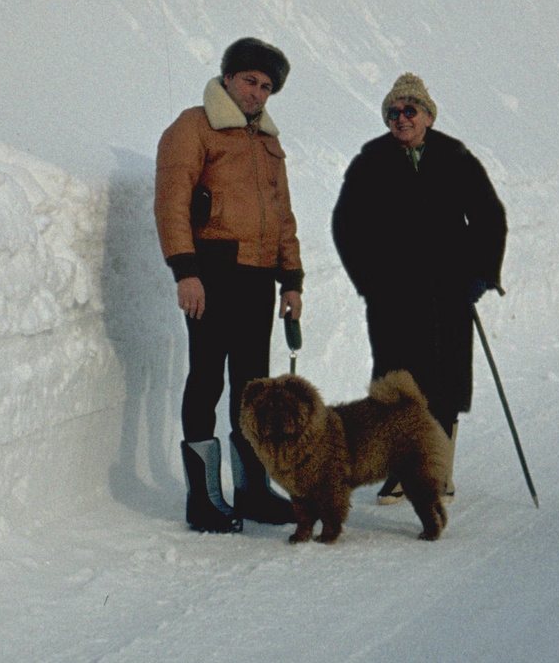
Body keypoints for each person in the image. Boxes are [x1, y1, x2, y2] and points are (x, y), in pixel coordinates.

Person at [330, 73, 507, 505]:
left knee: (444, 378)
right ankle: (397, 469)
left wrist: (481, 275)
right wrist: (368, 280)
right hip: (391, 295)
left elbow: (489, 216)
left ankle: (438, 469)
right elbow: (345, 225)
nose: (401, 118)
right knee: (394, 380)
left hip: (448, 290)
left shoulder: (454, 157)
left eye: (410, 110)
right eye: (393, 112)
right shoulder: (370, 161)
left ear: (427, 115)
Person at [155, 37, 304, 533]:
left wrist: (291, 281)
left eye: (266, 87)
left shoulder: (267, 142)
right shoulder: (193, 127)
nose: (257, 94)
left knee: (252, 388)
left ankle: (253, 490)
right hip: (212, 274)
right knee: (206, 381)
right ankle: (204, 500)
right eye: (249, 81)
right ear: (227, 77)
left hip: (259, 279)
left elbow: (282, 215)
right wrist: (185, 271)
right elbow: (172, 202)